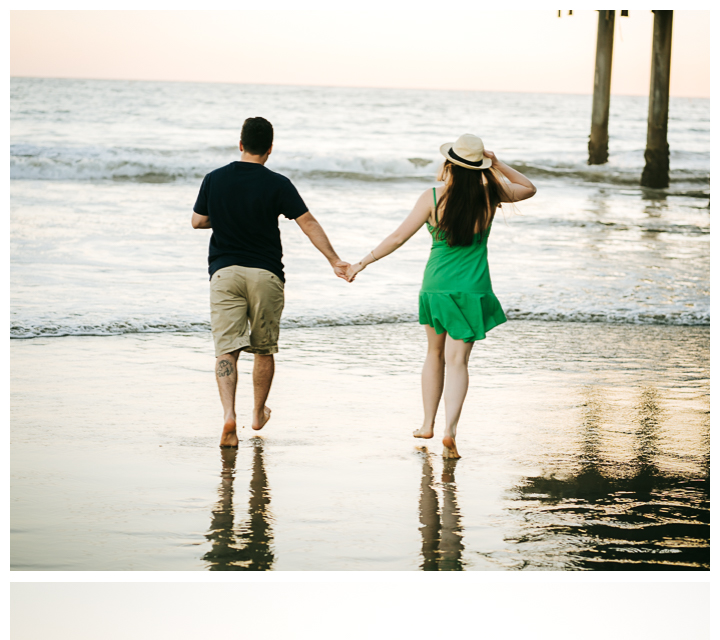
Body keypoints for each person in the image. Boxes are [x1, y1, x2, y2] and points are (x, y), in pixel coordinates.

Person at [345, 134, 537, 459]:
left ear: (449, 164)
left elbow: (397, 237)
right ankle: (450, 430)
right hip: (472, 288)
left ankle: (427, 423)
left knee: (434, 354)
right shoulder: (490, 193)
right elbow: (529, 188)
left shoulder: (432, 197)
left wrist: (361, 263)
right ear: (479, 167)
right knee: (458, 361)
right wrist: (498, 163)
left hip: (435, 287)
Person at [192, 116, 350, 447]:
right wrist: (334, 260)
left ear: (240, 145)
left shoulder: (214, 178)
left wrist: (226, 218)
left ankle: (228, 417)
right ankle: (258, 412)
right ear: (270, 149)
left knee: (226, 350)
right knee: (263, 350)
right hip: (265, 275)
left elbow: (198, 221)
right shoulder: (278, 183)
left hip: (224, 273)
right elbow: (307, 222)